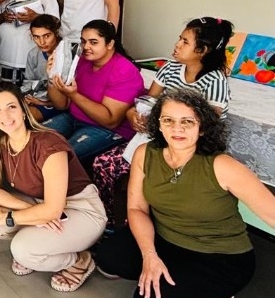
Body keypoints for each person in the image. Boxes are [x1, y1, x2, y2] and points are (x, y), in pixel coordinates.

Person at [94, 89, 275, 298]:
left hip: (218, 254)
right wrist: (149, 255)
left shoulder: (222, 165)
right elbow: (136, 208)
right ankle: (171, 274)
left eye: (187, 121)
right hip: (166, 238)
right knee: (110, 255)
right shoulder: (145, 153)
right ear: (158, 124)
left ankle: (220, 296)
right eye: (168, 120)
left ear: (202, 127)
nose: (177, 128)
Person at [92, 16, 234, 222]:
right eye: (180, 38)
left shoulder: (215, 81)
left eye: (185, 42)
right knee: (102, 164)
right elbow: (148, 101)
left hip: (192, 147)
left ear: (202, 50)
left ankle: (147, 220)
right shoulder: (170, 68)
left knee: (151, 178)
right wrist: (132, 114)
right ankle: (111, 220)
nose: (177, 44)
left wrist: (166, 126)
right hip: (160, 138)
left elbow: (206, 126)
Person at [0, 82, 107, 292]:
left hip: (81, 209)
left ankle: (79, 260)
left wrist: (7, 217)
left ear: (24, 110)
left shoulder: (48, 143)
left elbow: (53, 210)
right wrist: (33, 211)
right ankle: (41, 242)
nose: (5, 115)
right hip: (41, 202)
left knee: (22, 249)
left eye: (11, 107)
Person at [45, 19, 144, 162]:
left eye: (93, 42)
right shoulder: (82, 61)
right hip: (74, 117)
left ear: (110, 44)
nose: (86, 47)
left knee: (61, 158)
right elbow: (61, 105)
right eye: (83, 41)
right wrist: (52, 77)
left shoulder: (124, 71)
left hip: (106, 129)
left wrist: (74, 95)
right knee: (35, 140)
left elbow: (111, 121)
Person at [22, 14, 64, 123]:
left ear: (56, 33)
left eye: (47, 36)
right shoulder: (33, 54)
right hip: (37, 99)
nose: (42, 42)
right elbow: (28, 84)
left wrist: (42, 103)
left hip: (59, 105)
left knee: (26, 119)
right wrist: (26, 98)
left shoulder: (67, 54)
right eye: (36, 37)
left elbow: (69, 99)